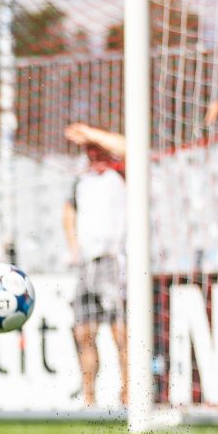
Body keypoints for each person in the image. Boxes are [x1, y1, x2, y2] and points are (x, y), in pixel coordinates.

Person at [63, 122, 128, 408]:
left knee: (120, 332)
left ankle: (128, 395)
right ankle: (89, 397)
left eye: (95, 147)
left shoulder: (122, 172)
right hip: (86, 265)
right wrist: (73, 245)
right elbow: (67, 212)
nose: (91, 152)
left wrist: (88, 132)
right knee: (83, 332)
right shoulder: (82, 180)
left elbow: (127, 146)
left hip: (114, 262)